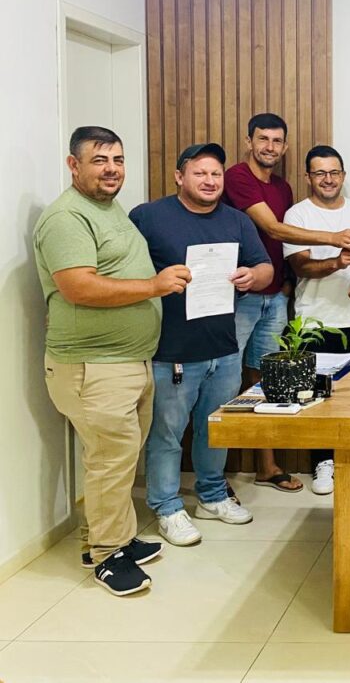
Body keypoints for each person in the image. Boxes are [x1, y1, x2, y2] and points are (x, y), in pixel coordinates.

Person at [34, 126, 182, 596]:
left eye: (117, 159)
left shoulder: (106, 207)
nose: (112, 169)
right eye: (99, 160)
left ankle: (104, 538)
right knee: (110, 459)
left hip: (127, 360)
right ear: (73, 165)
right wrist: (154, 286)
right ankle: (106, 555)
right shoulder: (66, 218)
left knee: (117, 459)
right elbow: (78, 287)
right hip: (93, 365)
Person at [130, 143, 272, 544]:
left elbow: (265, 267)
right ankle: (167, 506)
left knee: (215, 429)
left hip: (224, 348)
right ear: (180, 176)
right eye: (200, 173)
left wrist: (253, 277)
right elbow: (126, 272)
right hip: (171, 350)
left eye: (216, 174)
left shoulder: (237, 220)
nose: (210, 181)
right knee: (168, 434)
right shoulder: (148, 217)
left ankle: (212, 495)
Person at [223, 113, 350, 492]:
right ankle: (214, 479)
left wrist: (284, 281)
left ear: (284, 146)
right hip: (240, 296)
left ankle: (267, 467)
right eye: (262, 139)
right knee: (224, 382)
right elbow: (272, 228)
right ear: (249, 141)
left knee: (265, 381)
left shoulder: (282, 188)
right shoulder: (237, 177)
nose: (269, 147)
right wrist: (333, 238)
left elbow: (277, 247)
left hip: (273, 298)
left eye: (277, 141)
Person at [283, 145, 350, 495]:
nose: (328, 179)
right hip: (314, 322)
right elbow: (300, 266)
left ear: (343, 175)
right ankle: (323, 463)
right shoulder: (297, 214)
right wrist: (338, 262)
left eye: (334, 172)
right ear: (308, 177)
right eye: (320, 173)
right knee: (318, 397)